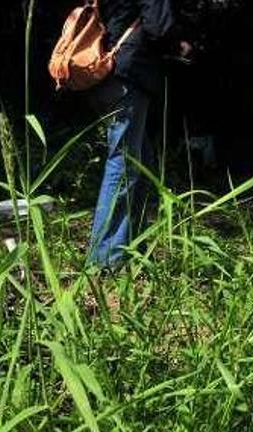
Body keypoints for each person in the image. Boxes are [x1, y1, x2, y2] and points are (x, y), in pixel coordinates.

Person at [87, 0, 180, 268]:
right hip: (128, 75)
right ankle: (105, 259)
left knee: (141, 163)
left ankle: (128, 246)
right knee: (124, 164)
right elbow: (158, 26)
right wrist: (178, 44)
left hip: (108, 73)